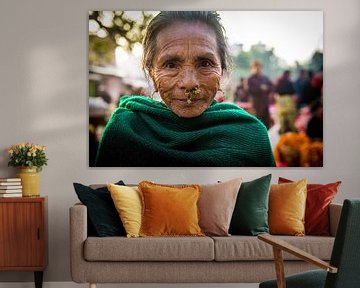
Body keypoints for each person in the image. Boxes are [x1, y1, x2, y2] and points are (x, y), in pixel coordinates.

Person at [95, 11, 275, 167]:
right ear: (152, 72)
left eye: (205, 63)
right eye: (171, 64)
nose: (189, 83)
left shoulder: (251, 136)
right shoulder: (125, 131)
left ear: (222, 69)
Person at [247, 60, 273, 129]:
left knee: (267, 122)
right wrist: (260, 88)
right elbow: (250, 90)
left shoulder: (265, 78)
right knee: (258, 121)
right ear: (252, 68)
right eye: (256, 67)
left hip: (265, 103)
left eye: (259, 67)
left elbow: (271, 87)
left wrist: (267, 88)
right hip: (256, 104)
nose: (258, 69)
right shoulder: (250, 79)